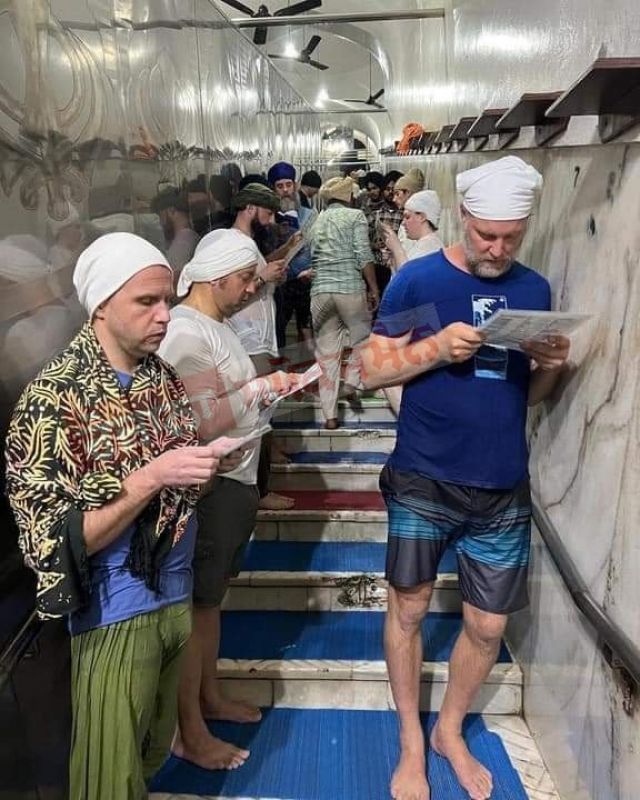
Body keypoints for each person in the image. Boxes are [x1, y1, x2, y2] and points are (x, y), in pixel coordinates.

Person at [361, 156, 571, 800]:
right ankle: (408, 743)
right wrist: (431, 350)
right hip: (425, 476)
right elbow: (369, 370)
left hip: (503, 484)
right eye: (485, 234)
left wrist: (554, 366)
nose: (497, 248)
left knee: (487, 626)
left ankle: (448, 729)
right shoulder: (417, 280)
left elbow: (528, 396)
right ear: (462, 217)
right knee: (409, 608)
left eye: (511, 236)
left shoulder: (535, 290)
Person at [4, 232, 223, 800]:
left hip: (173, 590)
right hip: (116, 606)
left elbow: (177, 461)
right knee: (108, 776)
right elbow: (53, 540)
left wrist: (208, 461)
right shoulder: (53, 402)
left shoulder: (159, 378)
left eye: (167, 302)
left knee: (149, 751)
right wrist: (151, 478)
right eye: (146, 303)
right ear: (101, 305)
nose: (164, 316)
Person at [158, 229, 300, 771]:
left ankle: (209, 698)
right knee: (196, 609)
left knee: (210, 604)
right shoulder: (189, 333)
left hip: (233, 483)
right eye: (244, 279)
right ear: (216, 278)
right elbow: (194, 421)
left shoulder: (213, 325)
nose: (250, 289)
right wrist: (258, 391)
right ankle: (188, 731)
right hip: (211, 488)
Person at [226, 182, 298, 509]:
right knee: (253, 414)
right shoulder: (227, 243)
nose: (270, 221)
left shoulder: (245, 243)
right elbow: (230, 293)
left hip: (256, 338)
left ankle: (259, 484)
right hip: (245, 338)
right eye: (267, 213)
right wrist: (263, 279)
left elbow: (256, 275)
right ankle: (257, 492)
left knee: (261, 409)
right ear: (251, 208)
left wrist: (277, 263)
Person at [309, 176, 378, 430]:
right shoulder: (355, 216)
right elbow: (364, 253)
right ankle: (351, 383)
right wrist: (373, 288)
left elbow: (311, 255)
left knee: (327, 354)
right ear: (348, 196)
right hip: (349, 288)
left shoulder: (315, 220)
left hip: (320, 292)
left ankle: (330, 416)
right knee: (361, 339)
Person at [267, 161, 316, 350]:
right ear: (273, 189)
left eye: (289, 185)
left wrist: (313, 270)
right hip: (280, 286)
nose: (285, 190)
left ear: (295, 186)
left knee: (307, 335)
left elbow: (318, 248)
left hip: (306, 283)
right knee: (278, 334)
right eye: (280, 186)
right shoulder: (268, 219)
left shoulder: (310, 215)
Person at [382, 189, 443, 273]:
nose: (403, 223)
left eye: (407, 217)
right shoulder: (424, 243)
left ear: (422, 217)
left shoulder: (430, 248)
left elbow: (407, 278)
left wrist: (397, 248)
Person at [151, 187, 200, 278]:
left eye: (161, 216)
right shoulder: (191, 237)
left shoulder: (182, 244)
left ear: (171, 211)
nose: (161, 223)